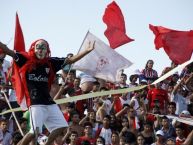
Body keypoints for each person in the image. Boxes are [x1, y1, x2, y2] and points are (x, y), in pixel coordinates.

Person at [0, 39, 95, 145]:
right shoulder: (25, 59)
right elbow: (8, 51)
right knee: (34, 132)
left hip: (49, 102)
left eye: (43, 47)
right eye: (38, 47)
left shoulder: (51, 62)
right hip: (35, 104)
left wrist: (87, 50)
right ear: (33, 49)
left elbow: (70, 60)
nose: (40, 50)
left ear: (47, 50)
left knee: (61, 126)